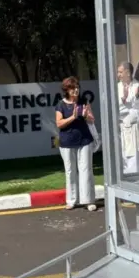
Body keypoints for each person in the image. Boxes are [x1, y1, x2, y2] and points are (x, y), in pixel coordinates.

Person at [55, 77, 97, 211]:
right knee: (70, 171)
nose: (76, 90)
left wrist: (85, 116)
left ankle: (88, 200)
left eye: (77, 87)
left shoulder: (84, 102)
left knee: (86, 170)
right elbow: (59, 123)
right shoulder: (60, 105)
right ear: (67, 90)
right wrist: (73, 117)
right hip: (67, 142)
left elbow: (92, 119)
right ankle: (72, 200)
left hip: (84, 140)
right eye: (73, 88)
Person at [116, 61, 139, 174]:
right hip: (122, 130)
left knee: (137, 161)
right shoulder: (116, 88)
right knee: (123, 160)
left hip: (137, 130)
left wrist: (137, 97)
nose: (118, 75)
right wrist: (125, 102)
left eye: (120, 72)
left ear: (128, 73)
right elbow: (115, 109)